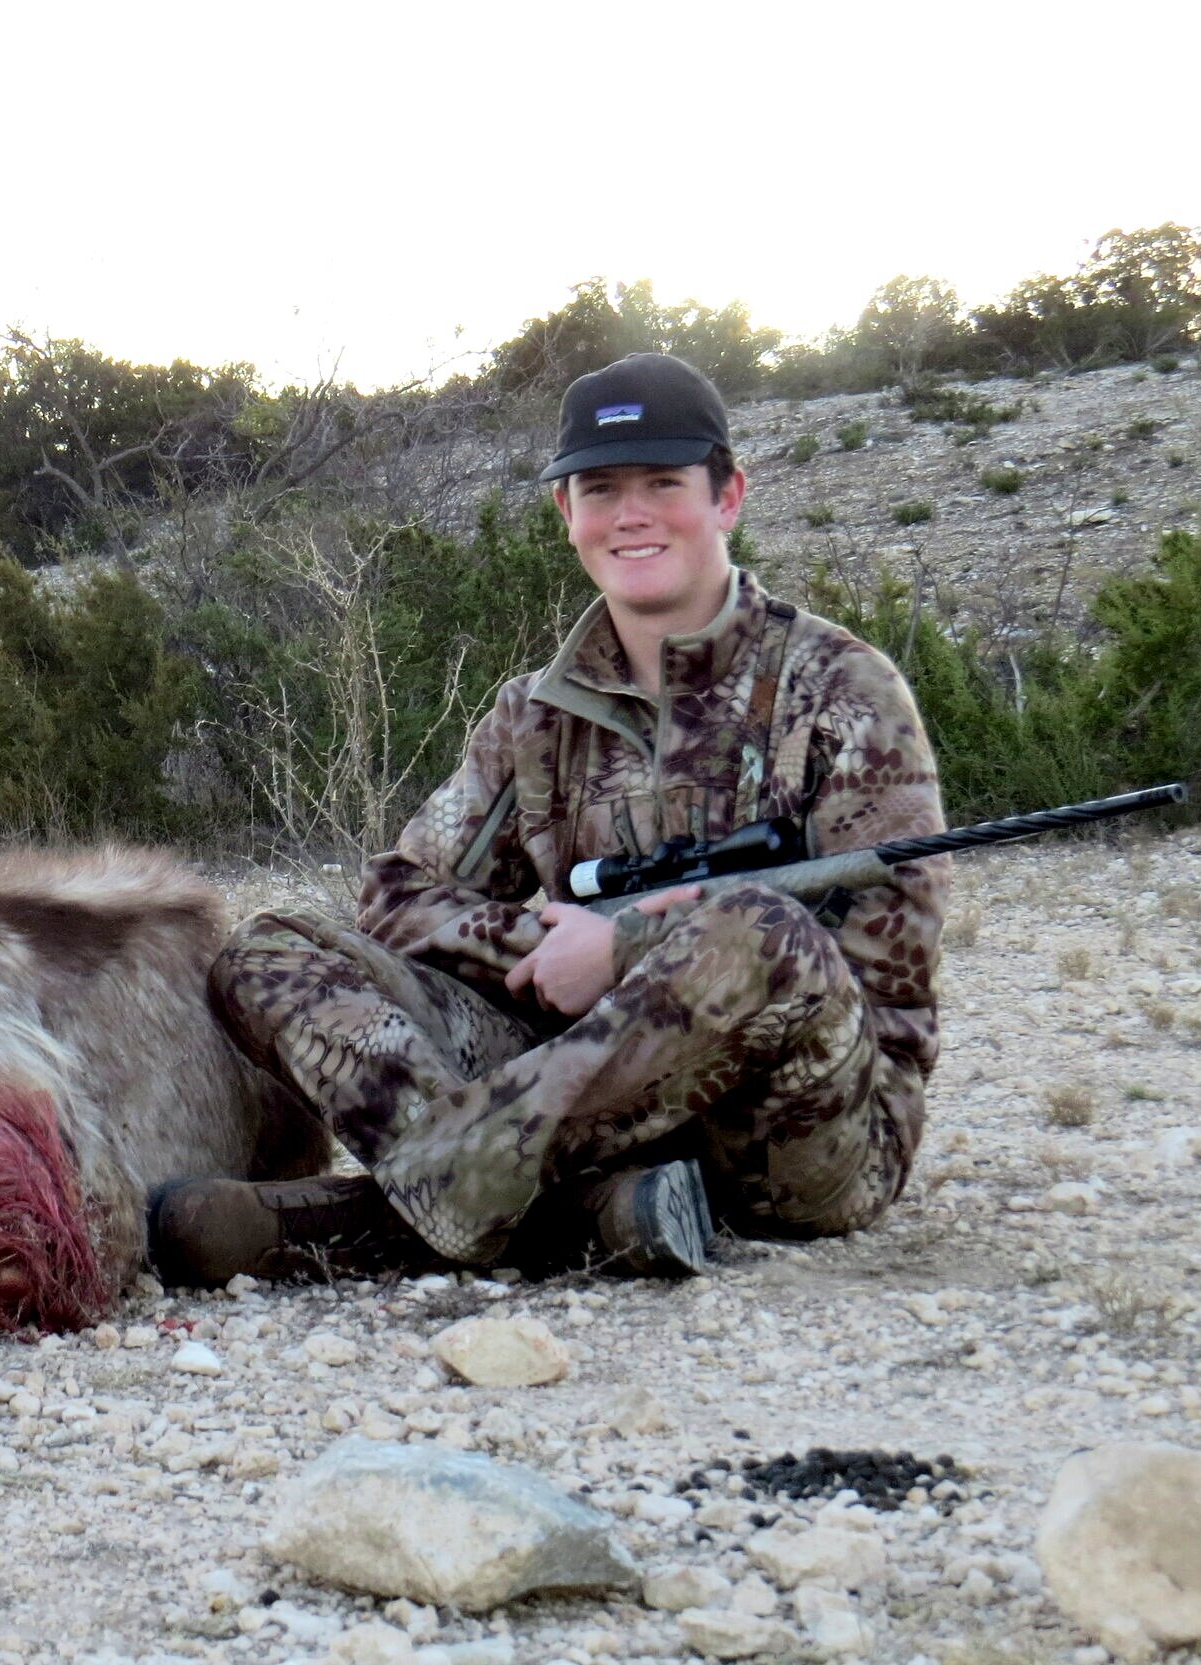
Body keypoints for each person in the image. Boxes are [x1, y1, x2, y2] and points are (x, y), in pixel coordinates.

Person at [154, 352, 948, 1284]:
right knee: (272, 951)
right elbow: (400, 897)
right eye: (601, 488)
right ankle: (592, 1211)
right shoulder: (533, 711)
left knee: (758, 929)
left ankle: (436, 1198)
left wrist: (629, 954)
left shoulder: (844, 687)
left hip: (802, 1134)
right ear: (565, 514)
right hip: (576, 1088)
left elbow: (877, 969)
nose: (632, 514)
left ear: (729, 496)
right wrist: (542, 944)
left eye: (664, 483)